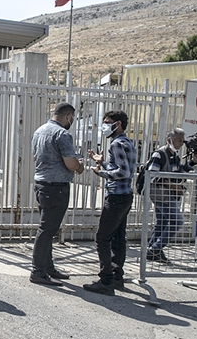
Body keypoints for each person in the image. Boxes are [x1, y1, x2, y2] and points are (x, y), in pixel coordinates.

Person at [29, 103, 84, 286]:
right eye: (72, 118)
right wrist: (79, 166)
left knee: (48, 228)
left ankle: (47, 267)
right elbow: (70, 164)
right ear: (68, 116)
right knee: (47, 230)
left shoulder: (39, 131)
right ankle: (38, 271)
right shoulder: (62, 134)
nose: (72, 121)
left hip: (42, 183)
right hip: (56, 187)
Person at [85, 110, 137, 295]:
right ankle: (116, 277)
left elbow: (123, 172)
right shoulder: (127, 142)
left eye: (108, 122)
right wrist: (103, 162)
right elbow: (122, 167)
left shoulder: (116, 144)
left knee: (102, 238)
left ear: (119, 124)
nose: (105, 126)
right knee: (118, 237)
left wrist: (102, 173)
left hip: (116, 197)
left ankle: (106, 280)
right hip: (125, 196)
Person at [147, 128, 197, 263]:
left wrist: (193, 161)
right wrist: (174, 186)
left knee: (162, 223)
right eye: (179, 141)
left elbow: (180, 173)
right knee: (177, 222)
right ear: (170, 140)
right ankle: (155, 249)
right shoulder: (160, 154)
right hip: (162, 196)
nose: (181, 144)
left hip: (166, 195)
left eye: (182, 141)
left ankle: (152, 252)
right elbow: (152, 176)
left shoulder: (173, 156)